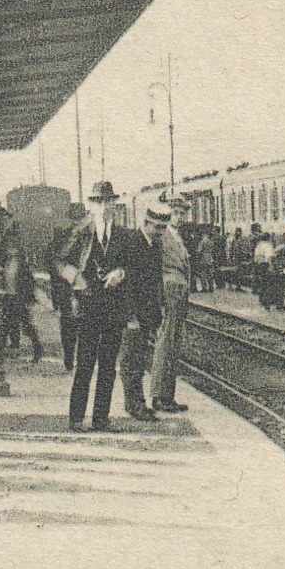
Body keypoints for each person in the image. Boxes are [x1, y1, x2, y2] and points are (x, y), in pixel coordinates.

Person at [56, 180, 148, 431]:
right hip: (86, 306)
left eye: (108, 201)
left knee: (108, 365)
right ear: (91, 205)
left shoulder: (124, 234)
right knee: (85, 363)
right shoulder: (80, 232)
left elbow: (135, 265)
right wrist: (76, 277)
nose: (104, 207)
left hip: (113, 307)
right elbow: (60, 261)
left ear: (114, 204)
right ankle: (76, 418)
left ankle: (101, 418)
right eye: (99, 202)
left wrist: (121, 272)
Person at [114, 206, 167, 423]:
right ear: (146, 223)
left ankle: (137, 403)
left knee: (140, 359)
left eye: (163, 228)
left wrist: (159, 308)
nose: (160, 231)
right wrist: (130, 317)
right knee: (131, 362)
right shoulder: (132, 243)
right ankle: (135, 405)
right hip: (133, 315)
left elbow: (155, 282)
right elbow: (125, 285)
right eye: (157, 227)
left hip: (147, 314)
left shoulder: (154, 245)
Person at [148, 204, 192, 413]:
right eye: (176, 213)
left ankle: (168, 395)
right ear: (169, 215)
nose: (180, 217)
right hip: (169, 293)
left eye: (183, 214)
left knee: (173, 345)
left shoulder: (176, 236)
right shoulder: (163, 236)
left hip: (178, 294)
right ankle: (158, 396)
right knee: (165, 344)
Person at [0, 208, 43, 362]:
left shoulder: (11, 238)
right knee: (10, 322)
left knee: (20, 322)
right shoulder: (5, 241)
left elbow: (26, 277)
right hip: (9, 292)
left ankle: (37, 348)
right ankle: (36, 348)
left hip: (17, 293)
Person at [48, 203, 87, 373]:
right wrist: (73, 277)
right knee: (70, 325)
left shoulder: (89, 234)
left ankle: (77, 358)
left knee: (81, 325)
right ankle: (70, 358)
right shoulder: (64, 236)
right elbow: (55, 262)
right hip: (69, 288)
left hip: (84, 286)